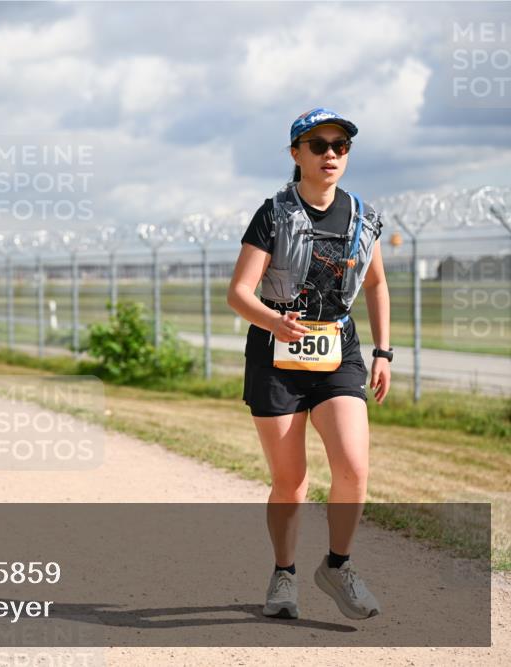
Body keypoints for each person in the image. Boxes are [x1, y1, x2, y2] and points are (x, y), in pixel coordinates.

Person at [227, 108, 392, 621]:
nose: (330, 154)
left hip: (337, 352)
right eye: (318, 145)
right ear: (296, 153)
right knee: (291, 480)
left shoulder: (362, 215)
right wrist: (273, 322)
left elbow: (376, 283)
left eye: (340, 145)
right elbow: (238, 293)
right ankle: (284, 573)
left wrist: (384, 351)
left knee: (353, 467)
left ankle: (338, 565)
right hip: (276, 357)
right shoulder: (274, 213)